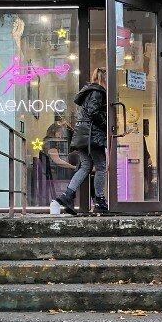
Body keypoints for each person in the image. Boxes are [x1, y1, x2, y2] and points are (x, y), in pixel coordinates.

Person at [53, 68, 108, 214]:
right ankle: (100, 201)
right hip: (92, 135)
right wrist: (106, 124)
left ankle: (67, 195)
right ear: (104, 78)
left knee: (85, 166)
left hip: (82, 135)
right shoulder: (98, 92)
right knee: (101, 166)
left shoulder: (88, 92)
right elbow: (93, 112)